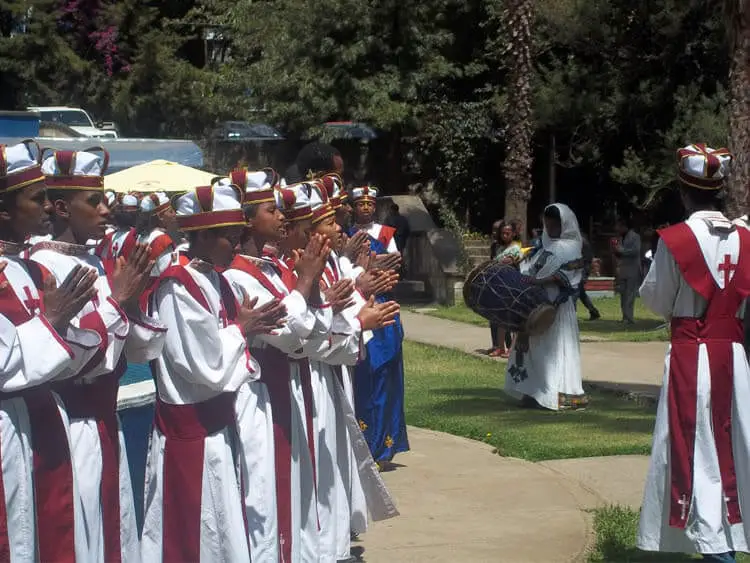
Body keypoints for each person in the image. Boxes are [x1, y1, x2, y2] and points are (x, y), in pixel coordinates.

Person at [32, 147, 166, 562]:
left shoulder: (97, 260)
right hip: (71, 428)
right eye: (95, 201)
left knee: (113, 531)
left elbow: (137, 348)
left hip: (105, 423)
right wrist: (117, 303)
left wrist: (130, 303)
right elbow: (62, 357)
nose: (107, 209)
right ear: (60, 208)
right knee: (79, 533)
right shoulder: (40, 267)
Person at [141, 179, 285, 562]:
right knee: (192, 534)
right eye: (229, 237)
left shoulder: (214, 279)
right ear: (202, 236)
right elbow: (203, 366)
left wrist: (242, 329)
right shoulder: (179, 286)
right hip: (190, 434)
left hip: (217, 428)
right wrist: (243, 330)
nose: (238, 246)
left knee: (221, 534)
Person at [637, 144, 750, 563]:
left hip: (691, 355)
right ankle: (728, 537)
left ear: (684, 191)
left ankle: (716, 550)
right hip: (732, 358)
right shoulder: (745, 238)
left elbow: (657, 301)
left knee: (697, 452)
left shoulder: (677, 240)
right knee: (731, 447)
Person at [0, 140, 100, 561]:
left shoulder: (32, 270)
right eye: (37, 199)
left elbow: (79, 353)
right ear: (4, 211)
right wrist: (53, 325)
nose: (46, 206)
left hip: (40, 424)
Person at [223, 170, 327, 563]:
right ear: (247, 220)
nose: (283, 216)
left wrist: (307, 290)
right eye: (272, 210)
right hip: (258, 395)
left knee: (293, 488)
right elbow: (290, 332)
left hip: (284, 386)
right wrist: (304, 288)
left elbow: (309, 333)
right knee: (262, 492)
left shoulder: (271, 269)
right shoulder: (236, 276)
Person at [504, 203, 587, 411]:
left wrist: (540, 281)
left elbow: (570, 275)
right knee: (532, 349)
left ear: (564, 224)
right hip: (533, 303)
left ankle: (555, 393)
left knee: (552, 350)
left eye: (554, 225)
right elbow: (529, 268)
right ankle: (532, 392)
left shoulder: (572, 247)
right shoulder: (541, 246)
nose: (550, 229)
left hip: (556, 307)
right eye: (547, 225)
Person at [348, 185, 409, 466]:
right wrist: (377, 262)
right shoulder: (346, 235)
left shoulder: (386, 234)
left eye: (369, 204)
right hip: (358, 302)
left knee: (386, 372)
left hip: (383, 302)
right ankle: (362, 444)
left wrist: (374, 263)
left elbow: (394, 265)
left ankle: (384, 446)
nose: (365, 208)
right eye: (360, 204)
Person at [489, 220, 523, 358]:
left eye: (508, 233)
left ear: (513, 234)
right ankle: (500, 347)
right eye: (503, 233)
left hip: (511, 285)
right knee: (500, 318)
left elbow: (512, 261)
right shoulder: (499, 249)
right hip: (499, 285)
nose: (505, 235)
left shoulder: (516, 248)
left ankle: (512, 348)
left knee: (512, 318)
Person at [613, 216, 641, 325]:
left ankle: (629, 317)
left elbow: (635, 251)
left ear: (624, 226)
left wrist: (622, 251)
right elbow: (618, 254)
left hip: (632, 268)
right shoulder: (619, 238)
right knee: (623, 293)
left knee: (630, 294)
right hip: (622, 268)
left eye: (619, 226)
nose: (617, 229)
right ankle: (624, 316)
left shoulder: (635, 236)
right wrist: (616, 252)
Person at [579, 234, 601, 320]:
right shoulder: (582, 241)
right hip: (583, 269)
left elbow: (587, 258)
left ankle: (572, 314)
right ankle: (594, 312)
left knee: (575, 292)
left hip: (582, 270)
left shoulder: (581, 242)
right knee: (580, 293)